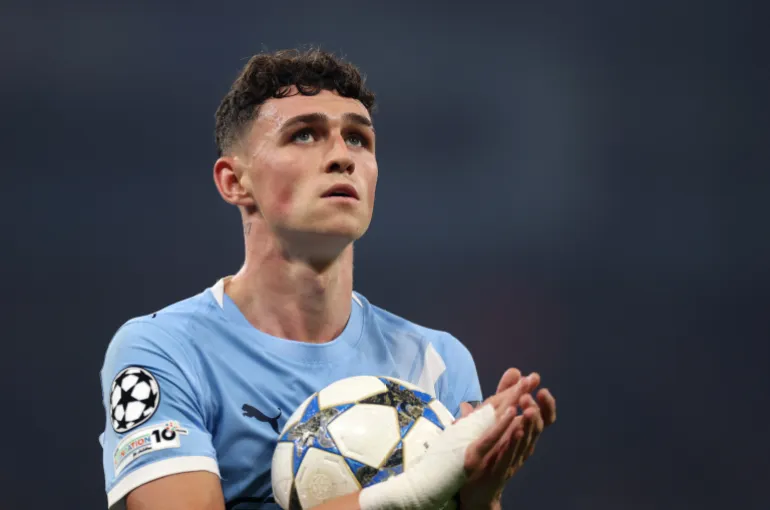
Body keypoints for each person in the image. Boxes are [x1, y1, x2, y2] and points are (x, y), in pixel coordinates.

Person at [98, 48, 556, 510]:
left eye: (358, 139)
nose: (342, 157)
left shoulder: (436, 361)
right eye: (304, 135)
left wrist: (480, 495)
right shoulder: (164, 351)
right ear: (234, 181)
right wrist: (411, 493)